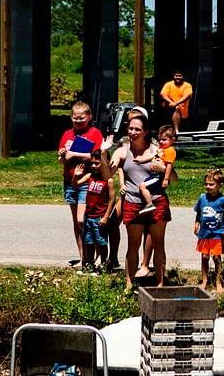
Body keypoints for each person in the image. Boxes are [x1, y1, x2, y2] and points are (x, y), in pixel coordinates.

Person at [105, 115, 172, 289]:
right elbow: (106, 174)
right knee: (132, 246)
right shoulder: (122, 151)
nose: (133, 132)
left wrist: (164, 169)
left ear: (146, 131)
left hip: (156, 201)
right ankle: (129, 284)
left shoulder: (157, 150)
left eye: (138, 129)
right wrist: (104, 152)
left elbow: (174, 177)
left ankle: (160, 285)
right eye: (131, 128)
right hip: (133, 202)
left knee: (159, 244)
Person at [57, 101, 104, 269]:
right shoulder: (67, 135)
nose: (78, 121)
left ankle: (99, 254)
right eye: (75, 118)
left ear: (89, 117)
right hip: (70, 180)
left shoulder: (95, 133)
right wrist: (63, 156)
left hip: (87, 180)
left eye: (82, 118)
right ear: (71, 117)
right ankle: (83, 258)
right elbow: (61, 160)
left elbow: (97, 156)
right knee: (76, 222)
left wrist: (73, 154)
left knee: (83, 219)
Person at [194, 169, 224, 294]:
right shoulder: (202, 198)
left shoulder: (223, 200)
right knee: (204, 257)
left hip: (217, 233)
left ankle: (218, 282)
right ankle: (204, 280)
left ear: (220, 185)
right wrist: (196, 225)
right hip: (204, 233)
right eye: (206, 184)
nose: (208, 186)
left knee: (216, 258)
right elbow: (199, 213)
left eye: (211, 184)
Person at [73, 150, 113, 272]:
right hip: (88, 215)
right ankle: (89, 265)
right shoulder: (90, 176)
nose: (94, 166)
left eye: (97, 163)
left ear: (105, 163)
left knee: (101, 241)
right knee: (88, 241)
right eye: (92, 163)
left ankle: (103, 265)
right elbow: (75, 185)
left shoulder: (108, 180)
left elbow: (112, 199)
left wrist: (106, 217)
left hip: (99, 216)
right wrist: (76, 175)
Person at [136, 125, 177, 214]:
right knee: (145, 186)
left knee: (142, 186)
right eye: (159, 139)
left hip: (159, 176)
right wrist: (141, 160)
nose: (161, 142)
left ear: (172, 140)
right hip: (154, 174)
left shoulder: (170, 151)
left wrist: (166, 179)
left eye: (164, 139)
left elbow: (169, 165)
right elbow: (153, 156)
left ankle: (149, 204)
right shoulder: (162, 149)